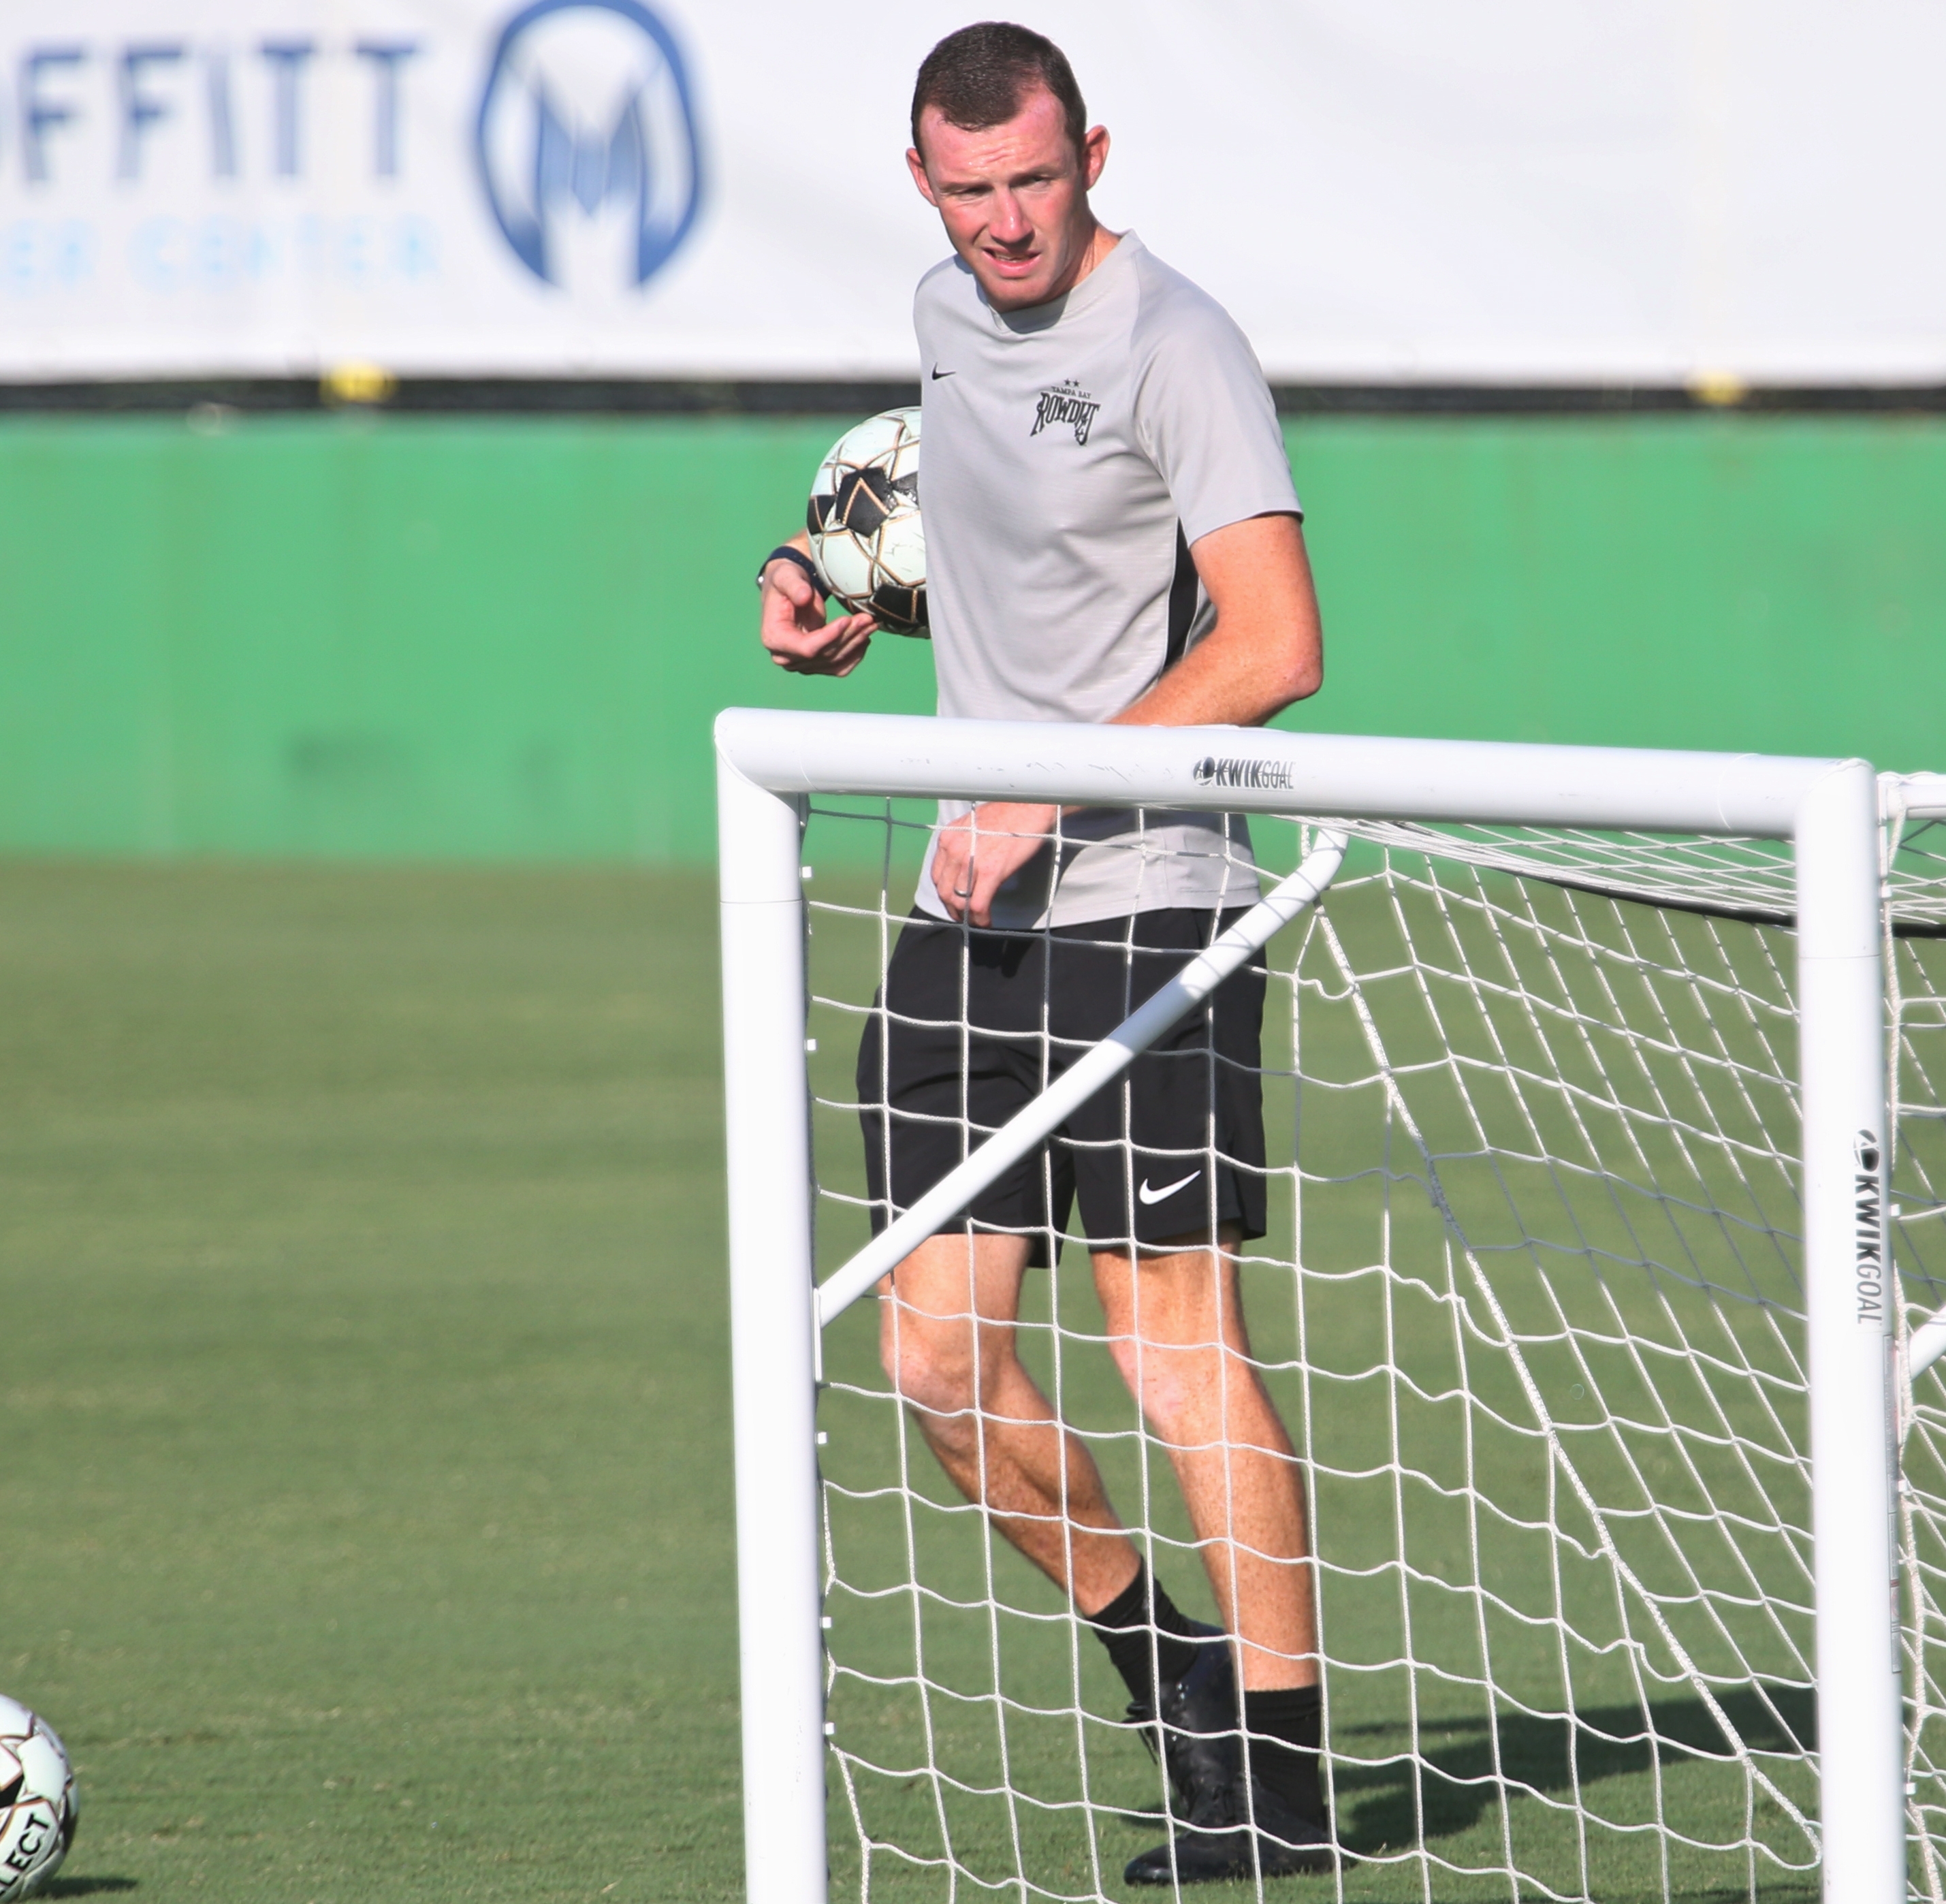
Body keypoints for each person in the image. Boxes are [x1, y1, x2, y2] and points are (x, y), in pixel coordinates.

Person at [750, 20, 1335, 1886]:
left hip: (1149, 897)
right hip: (965, 917)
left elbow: (1273, 638)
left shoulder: (1179, 340)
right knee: (929, 1363)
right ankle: (1164, 1673)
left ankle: (1280, 1770)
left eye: (1036, 181)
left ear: (1094, 152)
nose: (1008, 222)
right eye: (971, 188)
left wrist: (1053, 788)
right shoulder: (941, 310)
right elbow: (988, 531)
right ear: (922, 180)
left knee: (1168, 1347)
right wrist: (844, 591)